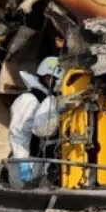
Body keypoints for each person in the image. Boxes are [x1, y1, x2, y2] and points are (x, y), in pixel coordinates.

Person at [7, 56, 62, 188]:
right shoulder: (29, 99)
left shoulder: (51, 100)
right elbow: (18, 133)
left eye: (54, 78)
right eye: (49, 77)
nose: (51, 81)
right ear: (42, 76)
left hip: (40, 162)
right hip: (26, 163)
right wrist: (22, 162)